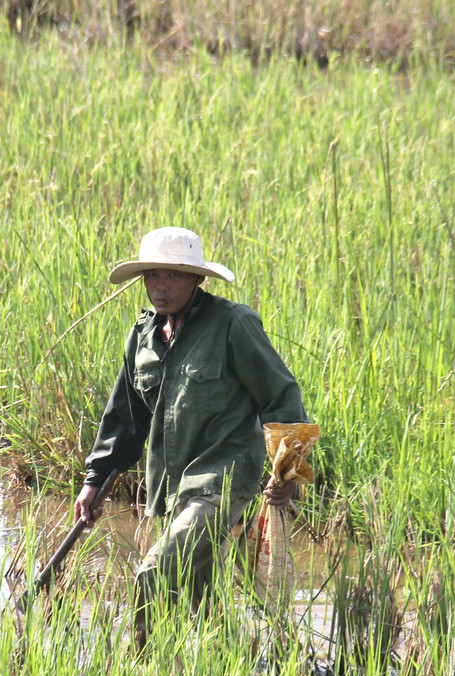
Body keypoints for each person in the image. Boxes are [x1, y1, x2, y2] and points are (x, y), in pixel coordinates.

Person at [73, 226, 309, 648]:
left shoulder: (233, 325)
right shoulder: (142, 338)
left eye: (174, 275)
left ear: (197, 278)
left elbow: (281, 396)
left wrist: (287, 473)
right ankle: (220, 669)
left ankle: (142, 668)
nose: (160, 286)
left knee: (154, 574)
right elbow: (125, 419)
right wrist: (95, 481)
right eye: (152, 275)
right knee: (196, 603)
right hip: (172, 488)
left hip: (222, 482)